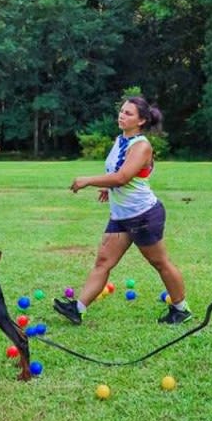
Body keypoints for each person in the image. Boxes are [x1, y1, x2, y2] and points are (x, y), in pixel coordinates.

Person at [53, 96, 192, 325]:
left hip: (143, 215)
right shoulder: (120, 140)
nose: (121, 115)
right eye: (121, 111)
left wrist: (90, 181)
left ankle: (181, 308)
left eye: (128, 113)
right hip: (121, 216)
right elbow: (122, 172)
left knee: (160, 262)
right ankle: (77, 309)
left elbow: (123, 176)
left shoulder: (142, 145)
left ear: (141, 121)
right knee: (103, 262)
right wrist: (109, 188)